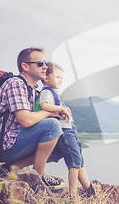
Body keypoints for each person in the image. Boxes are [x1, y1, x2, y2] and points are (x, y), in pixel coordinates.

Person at [0, 47, 69, 190]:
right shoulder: (15, 84)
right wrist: (48, 113)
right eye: (40, 63)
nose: (45, 67)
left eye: (45, 63)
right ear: (25, 66)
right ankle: (38, 177)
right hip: (0, 145)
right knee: (52, 126)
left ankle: (11, 167)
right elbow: (26, 120)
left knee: (62, 141)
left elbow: (35, 118)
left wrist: (57, 112)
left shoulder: (33, 91)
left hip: (13, 141)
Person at [38, 62, 91, 196]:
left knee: (78, 161)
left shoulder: (55, 92)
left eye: (62, 77)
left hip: (69, 128)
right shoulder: (46, 91)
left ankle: (89, 190)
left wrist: (64, 109)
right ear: (46, 78)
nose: (60, 80)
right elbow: (44, 105)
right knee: (74, 162)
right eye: (57, 77)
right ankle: (73, 195)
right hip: (64, 131)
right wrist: (61, 108)